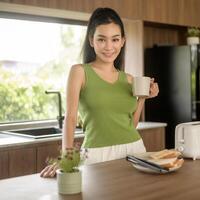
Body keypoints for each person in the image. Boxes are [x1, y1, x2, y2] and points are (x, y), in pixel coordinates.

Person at [40, 7, 159, 178]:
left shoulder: (129, 79)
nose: (109, 47)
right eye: (102, 39)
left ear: (123, 41)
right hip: (96, 154)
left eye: (115, 39)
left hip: (135, 150)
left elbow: (130, 125)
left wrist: (142, 98)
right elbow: (71, 118)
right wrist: (67, 158)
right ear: (91, 40)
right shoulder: (79, 72)